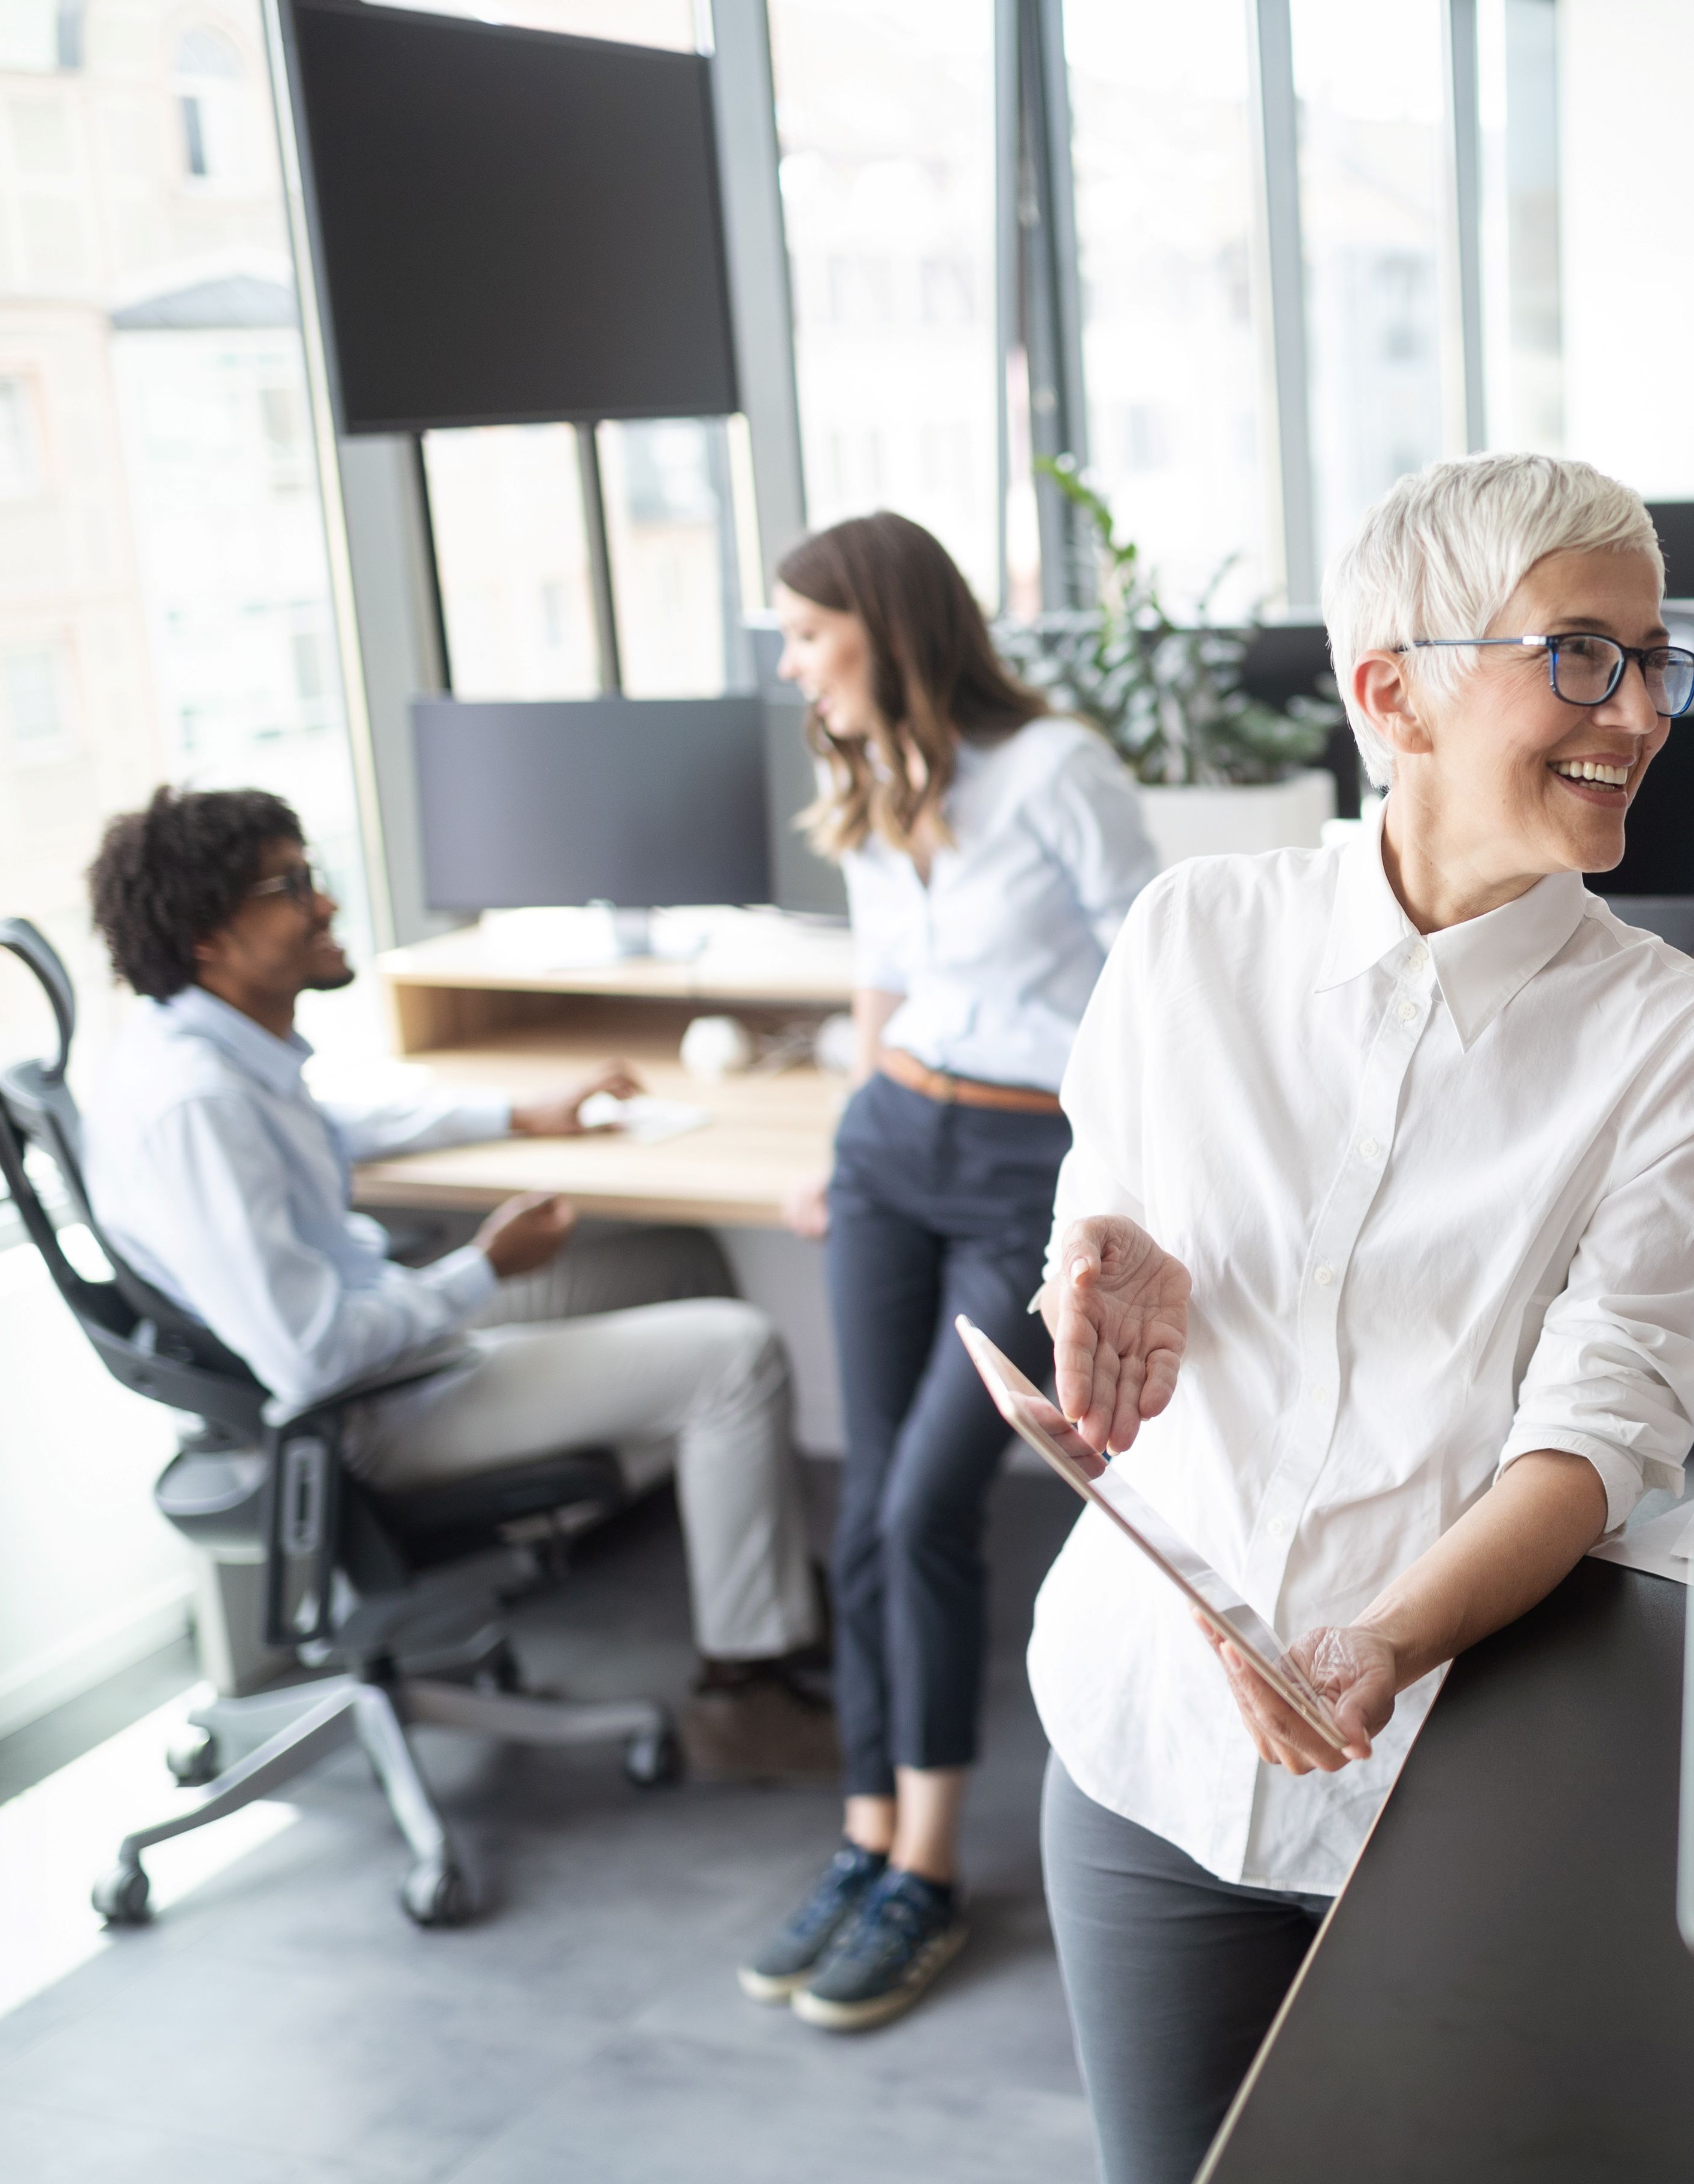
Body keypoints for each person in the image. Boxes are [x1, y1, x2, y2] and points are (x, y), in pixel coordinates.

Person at [1023, 451, 1694, 2183]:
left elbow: (1597, 1436)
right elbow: (1100, 1214)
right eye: (1582, 654)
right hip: (1144, 1761)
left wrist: (1382, 1644)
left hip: (1446, 1788)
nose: (1641, 709)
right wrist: (1094, 1260)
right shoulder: (1191, 935)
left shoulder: (1677, 1045)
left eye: (1656, 661)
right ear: (1392, 694)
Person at [79, 788, 831, 1777]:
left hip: (391, 1345)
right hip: (370, 1412)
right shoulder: (196, 1107)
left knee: (673, 1260)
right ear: (209, 936)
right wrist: (485, 1267)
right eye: (290, 886)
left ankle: (756, 1582)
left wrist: (522, 1114)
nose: (326, 904)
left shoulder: (203, 1047)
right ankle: (745, 1692)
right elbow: (312, 1352)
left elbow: (338, 1130)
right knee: (737, 1354)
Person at [739, 512, 1157, 2031]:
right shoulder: (872, 773)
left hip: (1014, 1169)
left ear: (886, 623)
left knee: (925, 1506)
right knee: (862, 1501)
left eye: (807, 635)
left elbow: (1150, 991)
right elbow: (886, 985)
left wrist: (1116, 1194)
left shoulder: (1059, 773)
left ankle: (926, 1871)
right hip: (891, 1150)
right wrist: (850, 1136)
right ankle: (866, 1840)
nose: (792, 668)